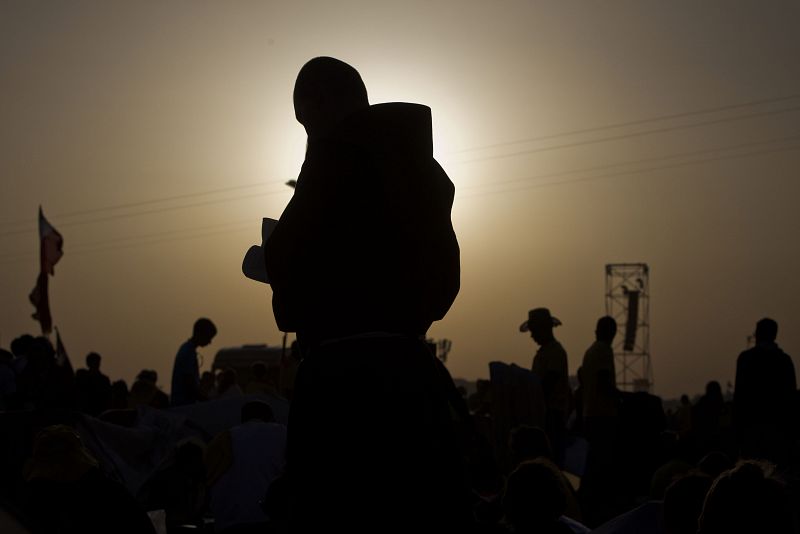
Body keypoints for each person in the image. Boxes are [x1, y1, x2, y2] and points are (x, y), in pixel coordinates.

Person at [263, 57, 465, 532]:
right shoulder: (422, 172)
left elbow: (295, 260)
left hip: (343, 390)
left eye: (305, 120)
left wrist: (277, 264)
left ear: (319, 102)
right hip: (413, 379)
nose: (308, 133)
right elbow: (443, 279)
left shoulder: (334, 161)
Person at [206, 400, 287, 533]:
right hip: (269, 520)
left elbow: (208, 479)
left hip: (229, 522)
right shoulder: (282, 433)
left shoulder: (224, 437)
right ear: (270, 418)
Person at [733, 318, 796, 465]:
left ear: (758, 334)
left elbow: (739, 399)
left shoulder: (746, 359)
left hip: (752, 431)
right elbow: (791, 400)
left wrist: (737, 434)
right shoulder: (785, 361)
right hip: (779, 432)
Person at [520, 307, 570, 464]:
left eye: (534, 330)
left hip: (552, 414)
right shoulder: (544, 352)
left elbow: (547, 385)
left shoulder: (555, 352)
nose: (532, 335)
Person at [171, 318, 216, 407]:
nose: (210, 342)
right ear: (201, 334)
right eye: (209, 337)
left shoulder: (187, 350)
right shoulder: (188, 352)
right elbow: (189, 384)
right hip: (183, 407)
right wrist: (207, 402)